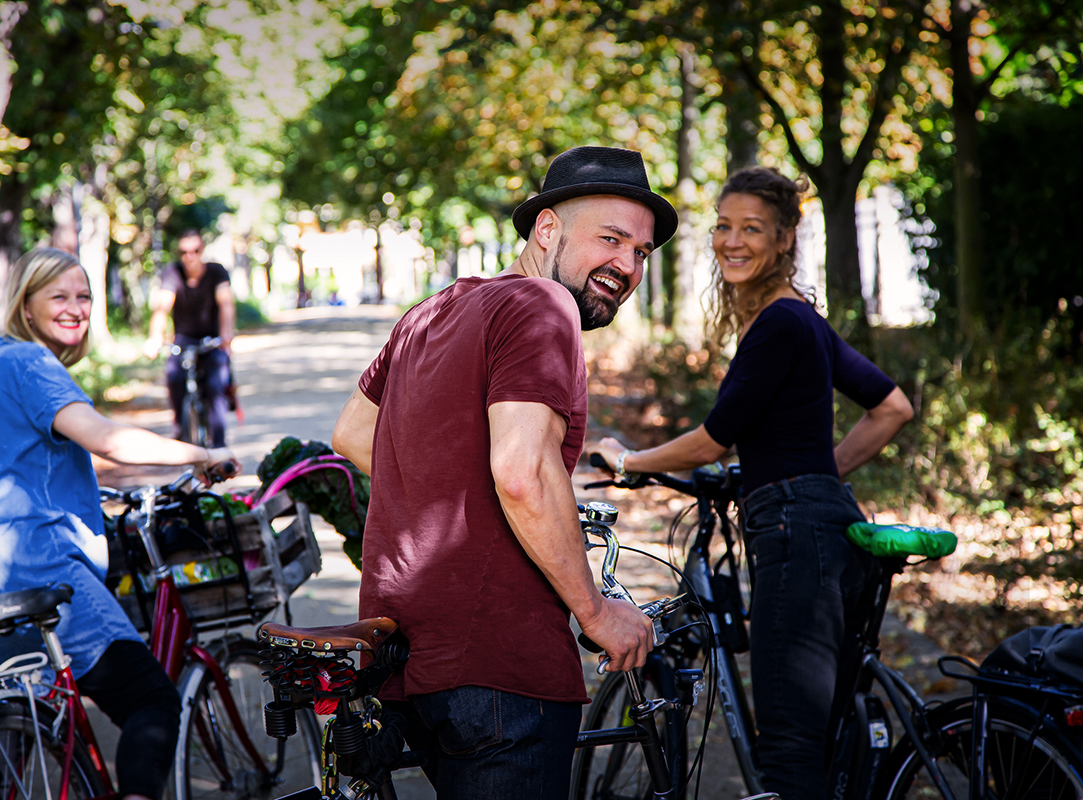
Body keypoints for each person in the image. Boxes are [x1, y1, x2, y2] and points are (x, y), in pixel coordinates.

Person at [330, 146, 674, 800]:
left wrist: (454, 487)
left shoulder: (428, 314)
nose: (627, 266)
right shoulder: (545, 306)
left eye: (641, 252)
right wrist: (594, 610)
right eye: (611, 239)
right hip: (501, 665)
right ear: (547, 229)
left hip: (409, 662)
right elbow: (521, 472)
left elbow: (352, 432)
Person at [590, 166, 915, 800]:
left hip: (796, 536)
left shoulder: (779, 324)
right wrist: (821, 472)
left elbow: (715, 439)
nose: (732, 242)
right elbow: (893, 406)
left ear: (786, 238)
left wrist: (629, 459)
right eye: (723, 227)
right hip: (830, 526)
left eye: (752, 229)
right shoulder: (801, 319)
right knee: (821, 741)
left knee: (789, 753)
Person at [0, 247, 240, 800]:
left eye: (83, 296)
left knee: (12, 731)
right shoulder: (32, 364)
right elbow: (105, 439)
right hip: (38, 569)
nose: (75, 307)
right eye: (58, 296)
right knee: (150, 700)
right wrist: (201, 455)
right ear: (27, 306)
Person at [144, 229, 236, 447]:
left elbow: (226, 305)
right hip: (183, 340)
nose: (189, 257)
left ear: (202, 250)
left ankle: (220, 445)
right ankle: (179, 428)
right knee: (174, 377)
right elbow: (162, 307)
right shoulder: (173, 273)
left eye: (195, 251)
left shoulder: (216, 272)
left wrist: (226, 335)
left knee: (215, 387)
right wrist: (154, 337)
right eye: (184, 252)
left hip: (211, 340)